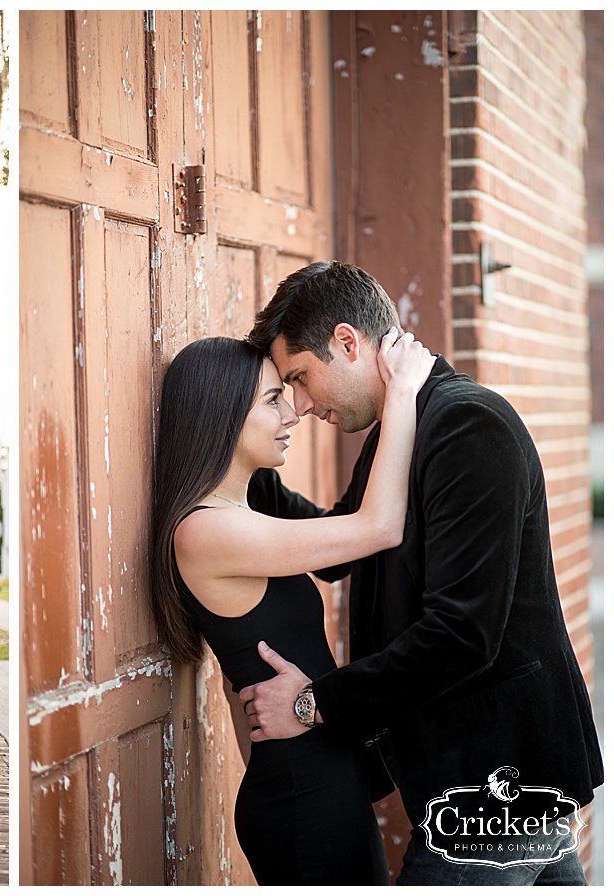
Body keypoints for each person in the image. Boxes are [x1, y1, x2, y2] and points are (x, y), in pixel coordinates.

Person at [239, 260, 603, 884]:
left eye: (300, 377)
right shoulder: (401, 430)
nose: (300, 404)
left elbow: (462, 635)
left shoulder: (467, 425)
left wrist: (310, 703)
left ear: (347, 343)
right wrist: (237, 467)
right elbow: (342, 543)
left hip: (493, 787)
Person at [150, 329, 434, 884]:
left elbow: (245, 692)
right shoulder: (205, 530)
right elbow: (377, 526)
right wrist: (400, 394)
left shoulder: (243, 514)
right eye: (272, 400)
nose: (293, 413)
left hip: (318, 784)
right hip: (305, 800)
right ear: (222, 415)